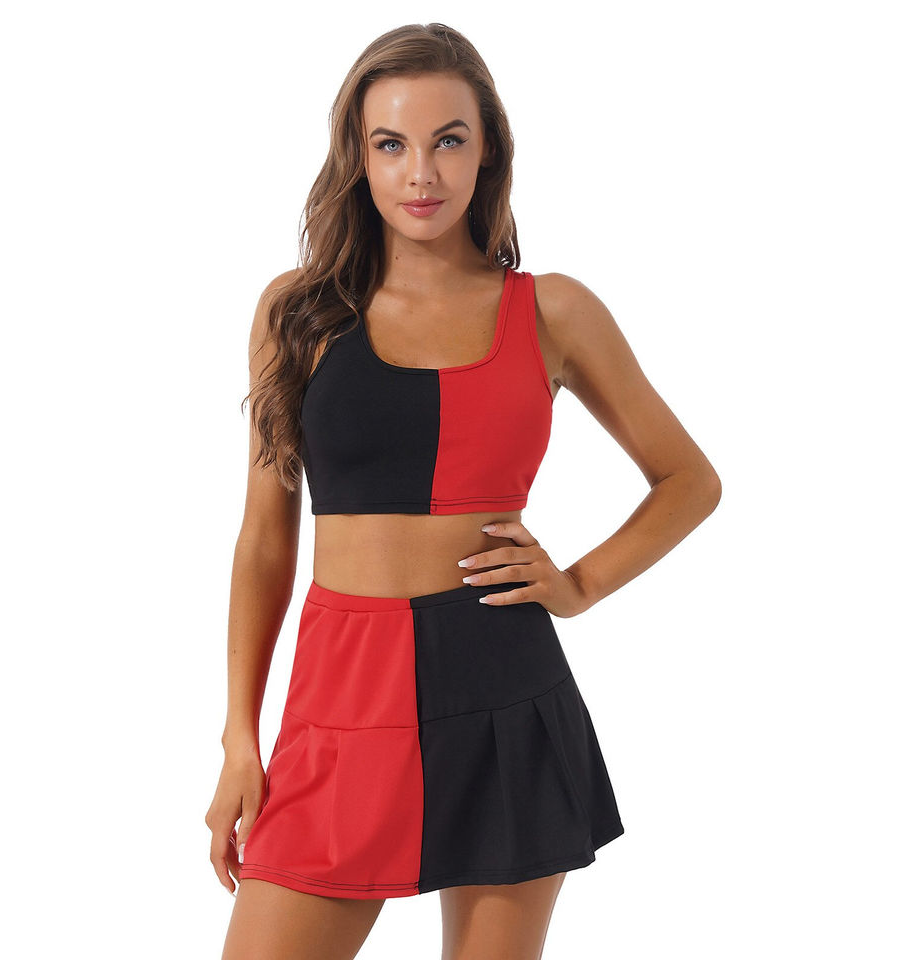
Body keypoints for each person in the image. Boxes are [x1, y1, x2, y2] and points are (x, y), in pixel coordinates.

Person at [206, 22, 721, 960]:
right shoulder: (298, 312)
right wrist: (241, 739)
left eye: (449, 140)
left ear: (488, 150)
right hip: (341, 690)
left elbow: (689, 479)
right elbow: (265, 540)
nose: (422, 174)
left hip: (501, 686)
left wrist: (578, 584)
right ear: (357, 157)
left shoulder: (552, 310)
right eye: (390, 144)